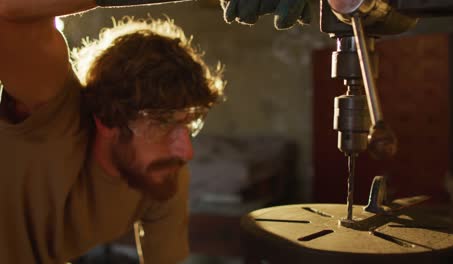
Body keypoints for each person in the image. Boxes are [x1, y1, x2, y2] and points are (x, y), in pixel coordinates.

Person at [0, 0, 310, 263]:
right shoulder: (52, 112)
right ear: (109, 121)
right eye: (162, 123)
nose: (186, 150)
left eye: (188, 124)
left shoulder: (160, 173)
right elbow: (9, 10)